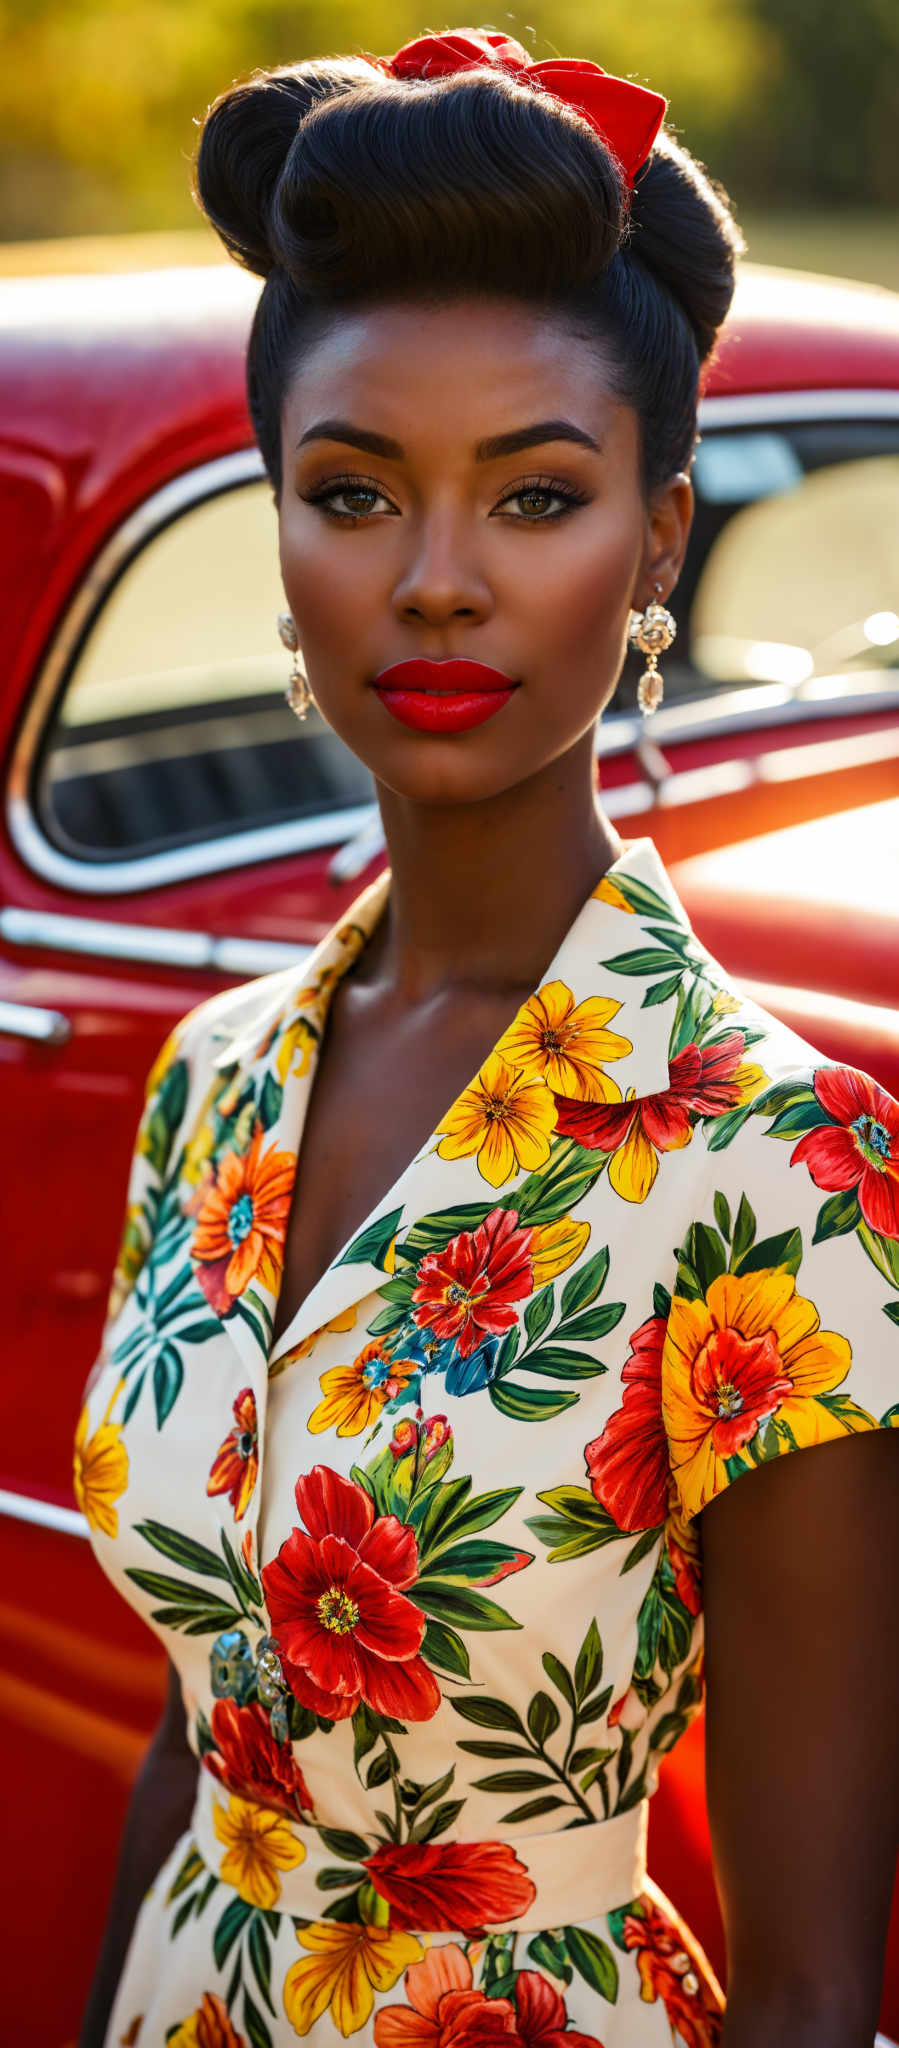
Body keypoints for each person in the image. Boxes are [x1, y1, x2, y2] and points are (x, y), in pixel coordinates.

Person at [75, 27, 899, 2048]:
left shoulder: (774, 1167)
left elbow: (808, 1982)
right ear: (276, 532)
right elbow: (194, 1743)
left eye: (536, 495)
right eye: (352, 492)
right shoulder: (215, 1083)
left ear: (662, 544)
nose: (435, 584)